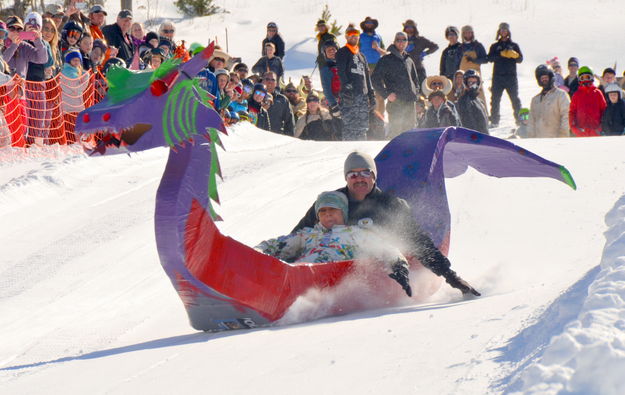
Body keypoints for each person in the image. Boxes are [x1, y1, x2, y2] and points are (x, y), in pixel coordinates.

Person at [293, 152, 480, 296]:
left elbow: (416, 241)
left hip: (374, 271)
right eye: (352, 174)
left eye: (365, 173)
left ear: (374, 176)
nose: (359, 178)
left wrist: (450, 276)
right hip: (326, 264)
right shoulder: (330, 203)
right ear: (346, 178)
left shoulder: (390, 206)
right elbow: (301, 234)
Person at [258, 190, 413, 296]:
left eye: (333, 209)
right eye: (323, 211)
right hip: (297, 275)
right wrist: (257, 251)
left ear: (343, 213)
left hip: (330, 276)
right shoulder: (307, 234)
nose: (328, 214)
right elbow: (278, 244)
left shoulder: (355, 233)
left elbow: (384, 247)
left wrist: (399, 265)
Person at [371, 31, 419, 138]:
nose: (401, 42)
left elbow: (415, 80)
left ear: (407, 43)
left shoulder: (409, 60)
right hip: (396, 102)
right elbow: (374, 79)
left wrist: (416, 93)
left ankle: (409, 155)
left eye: (404, 40)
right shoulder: (386, 59)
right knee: (396, 132)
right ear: (394, 42)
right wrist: (386, 94)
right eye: (398, 40)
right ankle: (393, 154)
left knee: (410, 132)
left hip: (410, 102)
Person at [336, 24, 376, 140]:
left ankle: (361, 151)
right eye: (350, 34)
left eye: (356, 34)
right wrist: (347, 87)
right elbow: (341, 72)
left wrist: (371, 95)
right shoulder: (342, 52)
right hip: (349, 96)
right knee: (349, 128)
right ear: (346, 37)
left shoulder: (362, 56)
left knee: (362, 128)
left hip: (362, 97)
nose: (354, 36)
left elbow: (367, 77)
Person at [487, 22, 523, 127]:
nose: (503, 31)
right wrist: (500, 54)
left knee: (515, 99)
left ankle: (519, 120)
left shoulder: (514, 45)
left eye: (505, 30)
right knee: (495, 99)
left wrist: (515, 55)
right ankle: (494, 121)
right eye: (501, 30)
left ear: (508, 32)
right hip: (498, 77)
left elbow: (520, 59)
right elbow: (489, 58)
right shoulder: (495, 46)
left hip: (511, 77)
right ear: (499, 31)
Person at [527, 64, 571, 138]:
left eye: (546, 77)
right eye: (542, 78)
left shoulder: (561, 95)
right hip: (539, 141)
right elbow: (531, 122)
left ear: (551, 77)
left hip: (556, 141)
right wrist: (531, 139)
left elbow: (566, 116)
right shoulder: (535, 100)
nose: (544, 80)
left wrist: (563, 137)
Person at [359, 16, 386, 114]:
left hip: (378, 68)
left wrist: (377, 48)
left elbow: (385, 52)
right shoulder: (360, 37)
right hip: (364, 68)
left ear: (374, 25)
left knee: (380, 94)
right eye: (367, 23)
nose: (369, 24)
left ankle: (381, 118)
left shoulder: (378, 37)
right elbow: (354, 51)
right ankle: (369, 118)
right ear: (364, 25)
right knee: (367, 94)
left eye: (371, 23)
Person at [569, 66, 606, 137]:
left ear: (592, 78)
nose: (585, 80)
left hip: (595, 133)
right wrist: (574, 128)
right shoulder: (577, 95)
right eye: (582, 78)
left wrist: (600, 129)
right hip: (581, 133)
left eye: (587, 77)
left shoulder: (597, 93)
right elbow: (572, 112)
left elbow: (604, 111)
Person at [402, 19, 438, 84]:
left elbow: (435, 47)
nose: (409, 29)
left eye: (411, 27)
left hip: (419, 69)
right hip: (405, 70)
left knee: (422, 90)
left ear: (414, 28)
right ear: (404, 28)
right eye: (407, 27)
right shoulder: (401, 40)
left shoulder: (421, 40)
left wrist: (425, 53)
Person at [456, 70, 489, 134]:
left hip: (483, 138)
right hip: (473, 139)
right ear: (466, 84)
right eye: (470, 82)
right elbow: (467, 123)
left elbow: (484, 124)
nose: (473, 85)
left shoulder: (479, 101)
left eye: (475, 82)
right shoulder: (464, 101)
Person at [263, 71, 294, 135]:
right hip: (257, 137)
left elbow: (289, 122)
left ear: (276, 83)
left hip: (277, 138)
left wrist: (287, 138)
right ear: (263, 81)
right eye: (267, 79)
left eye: (273, 80)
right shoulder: (256, 97)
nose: (270, 81)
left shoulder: (283, 100)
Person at [315, 20, 338, 109]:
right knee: (326, 83)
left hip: (330, 64)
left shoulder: (330, 36)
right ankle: (328, 99)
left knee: (331, 83)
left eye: (323, 26)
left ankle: (332, 101)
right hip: (323, 63)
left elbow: (334, 47)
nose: (321, 27)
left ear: (326, 27)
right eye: (319, 26)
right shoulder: (320, 37)